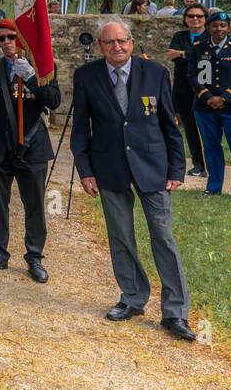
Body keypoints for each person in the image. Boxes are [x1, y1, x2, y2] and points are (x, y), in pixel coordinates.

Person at [71, 18, 194, 341]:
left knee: (163, 237)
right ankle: (132, 298)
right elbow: (81, 129)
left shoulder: (155, 73)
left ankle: (176, 311)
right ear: (100, 46)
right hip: (109, 167)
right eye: (110, 42)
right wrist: (85, 170)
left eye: (122, 41)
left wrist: (176, 169)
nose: (117, 47)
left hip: (153, 167)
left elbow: (170, 125)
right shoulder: (86, 76)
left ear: (132, 42)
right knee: (121, 237)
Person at [0, 19, 61, 282]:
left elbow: (53, 101)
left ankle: (34, 256)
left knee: (34, 204)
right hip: (0, 146)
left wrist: (33, 78)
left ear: (21, 38)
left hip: (32, 147)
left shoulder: (43, 66)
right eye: (1, 39)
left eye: (11, 37)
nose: (7, 43)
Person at [188, 10, 231, 199]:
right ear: (208, 27)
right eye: (214, 25)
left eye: (223, 26)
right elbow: (191, 75)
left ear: (228, 28)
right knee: (211, 147)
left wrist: (223, 98)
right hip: (205, 107)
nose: (219, 29)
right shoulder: (198, 48)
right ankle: (213, 186)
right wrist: (208, 96)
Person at [165, 4, 210, 177]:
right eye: (191, 16)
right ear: (185, 19)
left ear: (205, 18)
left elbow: (209, 56)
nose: (195, 19)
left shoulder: (210, 36)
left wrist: (182, 54)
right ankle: (198, 165)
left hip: (205, 88)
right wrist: (192, 54)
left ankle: (210, 164)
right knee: (189, 128)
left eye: (199, 16)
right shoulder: (180, 36)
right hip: (183, 89)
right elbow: (170, 55)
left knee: (207, 127)